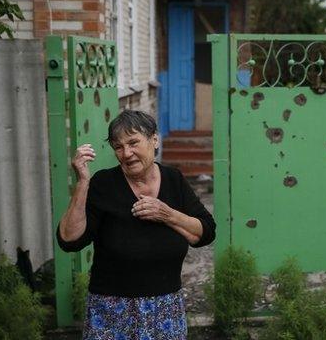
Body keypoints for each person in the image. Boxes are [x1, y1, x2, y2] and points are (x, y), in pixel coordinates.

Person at [57, 110, 216, 340]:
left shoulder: (174, 180)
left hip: (165, 310)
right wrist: (83, 182)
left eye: (133, 143)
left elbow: (206, 232)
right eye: (118, 147)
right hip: (111, 310)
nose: (126, 153)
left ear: (154, 139)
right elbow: (69, 240)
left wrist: (167, 214)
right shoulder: (103, 184)